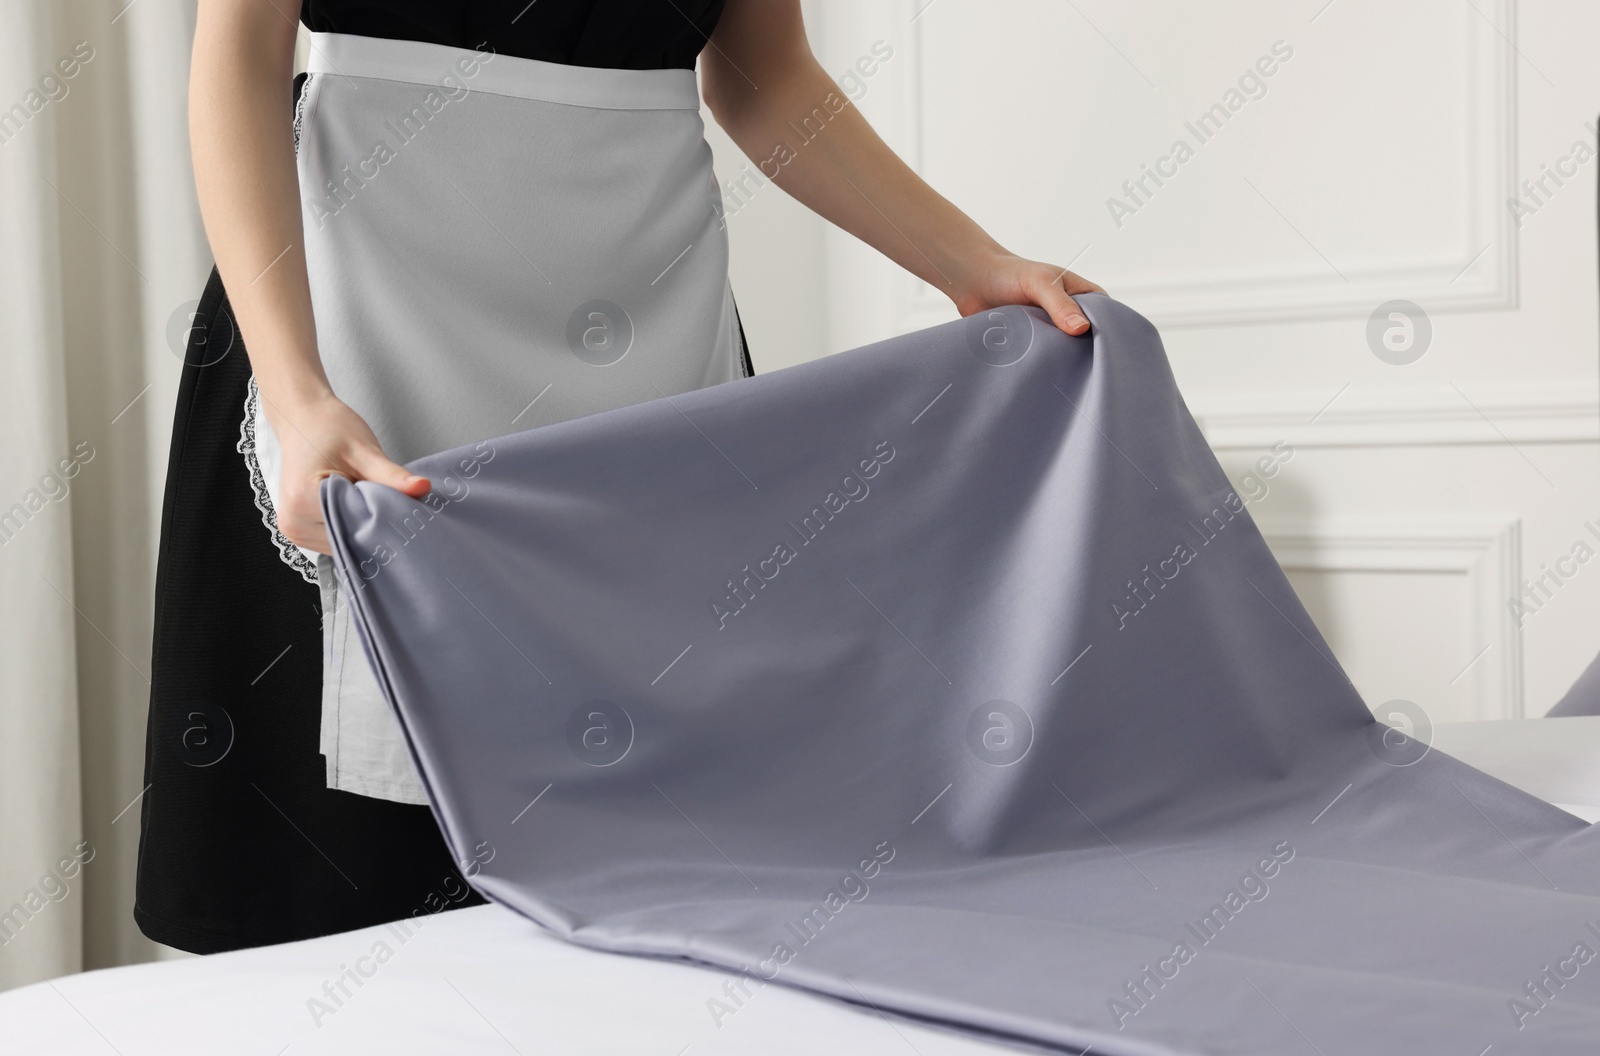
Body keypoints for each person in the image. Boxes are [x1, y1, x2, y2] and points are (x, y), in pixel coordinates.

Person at [136, 0, 1104, 954]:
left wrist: (971, 264)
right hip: (358, 307)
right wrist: (297, 388)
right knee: (353, 870)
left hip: (643, 313)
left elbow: (766, 77)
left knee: (656, 820)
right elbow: (236, 61)